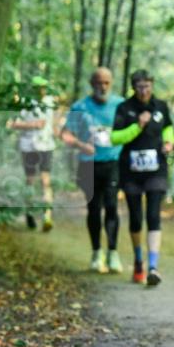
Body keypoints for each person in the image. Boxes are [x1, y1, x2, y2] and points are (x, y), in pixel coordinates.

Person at [111, 69, 174, 286]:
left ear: (152, 86)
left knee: (154, 215)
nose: (144, 91)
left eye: (147, 86)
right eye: (139, 87)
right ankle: (138, 261)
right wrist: (137, 126)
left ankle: (153, 267)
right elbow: (115, 137)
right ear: (133, 88)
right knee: (136, 217)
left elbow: (168, 129)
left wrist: (169, 143)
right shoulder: (124, 108)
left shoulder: (161, 106)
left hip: (156, 169)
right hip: (131, 172)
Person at [61, 68, 125, 273]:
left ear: (111, 83)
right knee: (94, 208)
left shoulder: (121, 105)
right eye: (98, 83)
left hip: (113, 163)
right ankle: (97, 253)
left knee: (112, 206)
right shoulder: (80, 107)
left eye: (106, 83)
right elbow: (65, 134)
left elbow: (132, 132)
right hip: (88, 165)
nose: (102, 87)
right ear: (92, 84)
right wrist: (81, 145)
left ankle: (113, 253)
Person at [8, 76, 57, 232]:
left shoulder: (49, 102)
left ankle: (47, 216)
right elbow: (12, 123)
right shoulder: (25, 103)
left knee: (45, 181)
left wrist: (19, 125)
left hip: (46, 146)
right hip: (28, 146)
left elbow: (46, 124)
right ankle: (29, 213)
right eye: (38, 87)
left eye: (43, 87)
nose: (42, 90)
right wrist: (29, 124)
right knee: (30, 180)